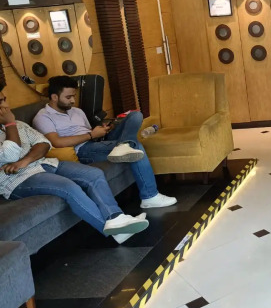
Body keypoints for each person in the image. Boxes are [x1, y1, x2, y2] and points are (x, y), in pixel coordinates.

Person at [0, 85, 148, 244]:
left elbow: (44, 143)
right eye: (0, 101)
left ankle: (116, 218)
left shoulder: (19, 124)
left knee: (94, 174)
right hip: (17, 179)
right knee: (69, 187)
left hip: (45, 163)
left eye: (5, 99)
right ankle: (115, 233)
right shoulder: (13, 124)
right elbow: (10, 154)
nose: (6, 105)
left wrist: (24, 160)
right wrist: (10, 125)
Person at [33, 76, 176, 209]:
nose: (73, 100)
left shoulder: (76, 111)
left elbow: (88, 131)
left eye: (74, 96)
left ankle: (123, 145)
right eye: (68, 97)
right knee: (135, 145)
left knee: (135, 115)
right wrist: (91, 135)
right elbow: (56, 142)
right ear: (54, 97)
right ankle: (149, 196)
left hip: (96, 141)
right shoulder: (43, 117)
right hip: (83, 150)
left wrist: (102, 130)